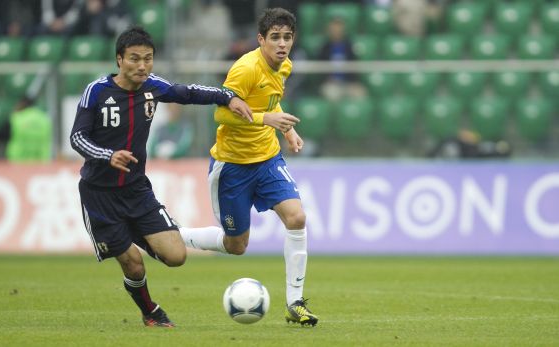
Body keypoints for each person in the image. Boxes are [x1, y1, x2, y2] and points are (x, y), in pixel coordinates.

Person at [69, 26, 252, 328]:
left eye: (148, 59)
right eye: (134, 59)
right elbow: (77, 137)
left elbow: (188, 93)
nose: (142, 66)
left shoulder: (153, 86)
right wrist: (107, 155)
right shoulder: (97, 92)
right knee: (133, 263)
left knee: (176, 256)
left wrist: (226, 97)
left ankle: (138, 233)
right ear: (119, 60)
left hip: (137, 191)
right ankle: (150, 311)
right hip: (99, 194)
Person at [179, 8, 319, 326]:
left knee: (297, 217)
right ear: (261, 39)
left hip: (267, 159)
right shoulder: (245, 69)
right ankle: (174, 235)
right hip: (232, 165)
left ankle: (295, 303)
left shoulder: (285, 66)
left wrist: (287, 129)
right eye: (275, 38)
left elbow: (270, 102)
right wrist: (265, 119)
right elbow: (222, 114)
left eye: (287, 38)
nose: (282, 44)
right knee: (236, 245)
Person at [318, 17, 365, 101]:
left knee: (360, 94)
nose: (337, 32)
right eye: (334, 29)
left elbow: (355, 66)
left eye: (339, 29)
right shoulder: (324, 47)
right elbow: (319, 68)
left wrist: (352, 81)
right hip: (331, 84)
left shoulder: (349, 46)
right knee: (332, 95)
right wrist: (328, 79)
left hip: (349, 83)